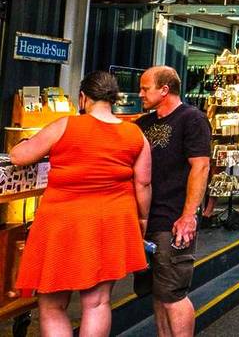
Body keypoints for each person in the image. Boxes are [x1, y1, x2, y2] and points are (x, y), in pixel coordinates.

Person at [14, 71, 151, 337]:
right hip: (112, 220)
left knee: (53, 305)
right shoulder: (135, 133)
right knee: (97, 302)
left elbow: (20, 157)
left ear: (83, 97)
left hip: (62, 222)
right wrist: (142, 219)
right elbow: (143, 184)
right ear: (113, 99)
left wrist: (24, 143)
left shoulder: (65, 125)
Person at [134, 66, 211, 337]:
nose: (140, 93)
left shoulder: (192, 119)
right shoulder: (144, 123)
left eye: (145, 88)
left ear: (164, 90)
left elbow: (200, 167)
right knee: (158, 291)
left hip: (174, 220)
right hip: (146, 220)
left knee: (173, 294)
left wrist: (189, 215)